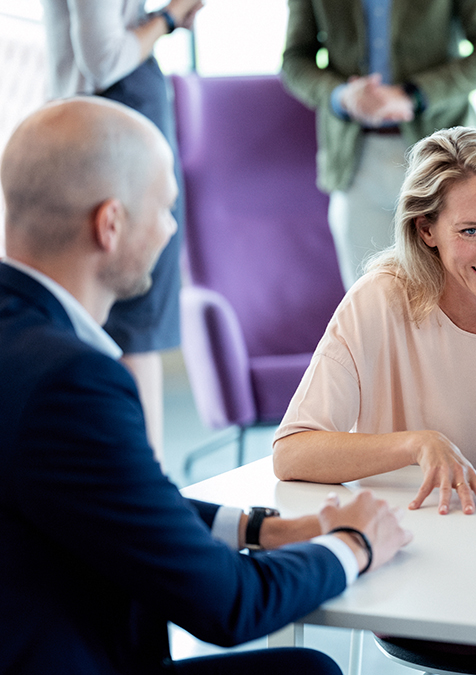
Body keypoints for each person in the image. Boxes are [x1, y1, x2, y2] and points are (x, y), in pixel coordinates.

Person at [0, 98, 412, 674]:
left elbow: (120, 499)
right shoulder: (70, 382)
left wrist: (266, 529)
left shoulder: (25, 347)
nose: (172, 229)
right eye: (166, 208)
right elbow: (230, 605)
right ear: (110, 225)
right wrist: (353, 545)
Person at [273, 126, 476, 674]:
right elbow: (293, 451)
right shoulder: (379, 302)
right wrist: (415, 445)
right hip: (416, 569)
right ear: (426, 229)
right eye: (471, 231)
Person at [41, 0, 204, 460]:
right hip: (116, 136)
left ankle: (134, 476)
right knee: (134, 323)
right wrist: (169, 17)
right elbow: (103, 58)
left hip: (111, 129)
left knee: (130, 323)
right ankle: (142, 477)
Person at [281, 0, 476, 290]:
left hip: (444, 157)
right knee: (369, 297)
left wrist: (415, 95)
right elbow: (294, 62)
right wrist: (341, 96)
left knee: (457, 292)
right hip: (355, 159)